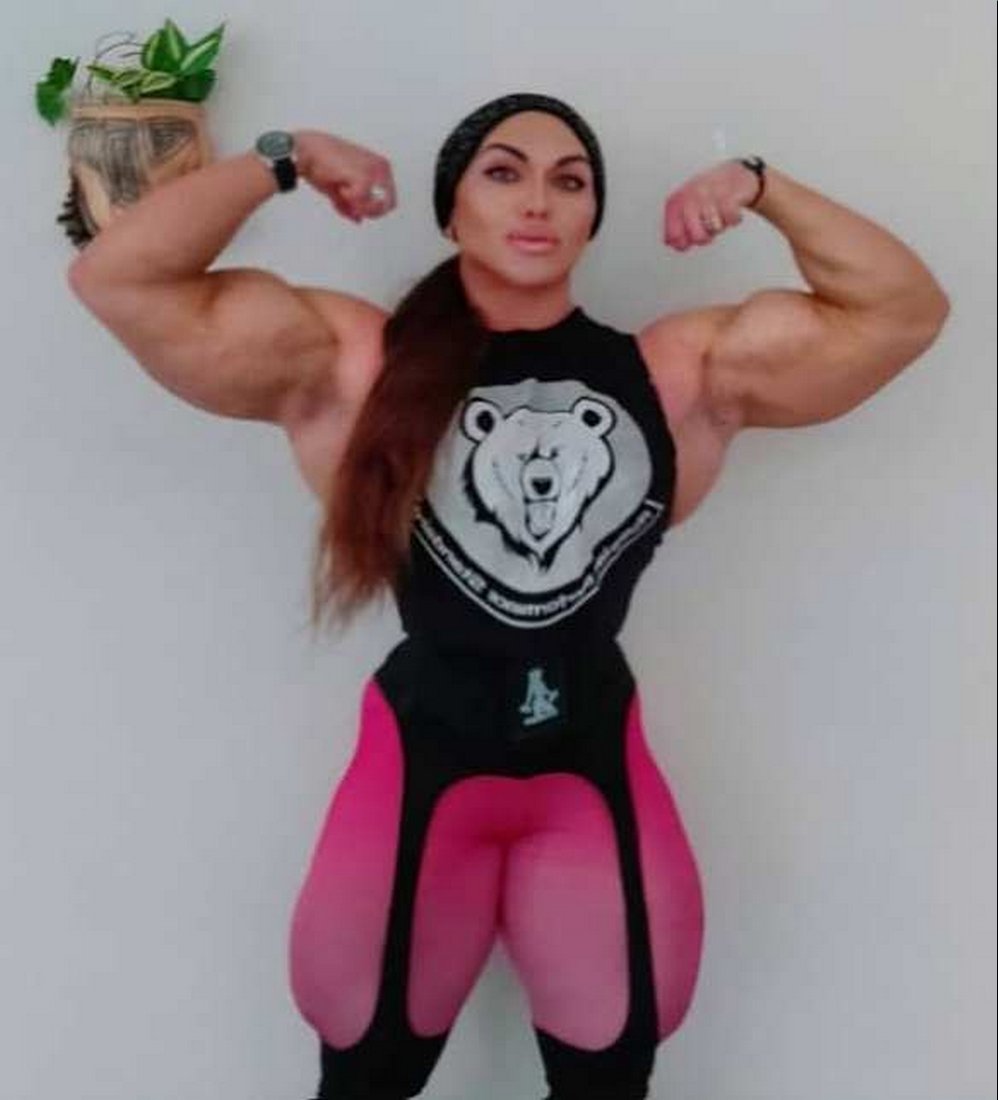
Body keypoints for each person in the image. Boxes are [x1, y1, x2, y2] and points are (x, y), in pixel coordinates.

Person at [67, 92, 949, 1100]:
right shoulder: (357, 363)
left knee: (610, 1074)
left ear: (591, 216)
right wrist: (285, 156)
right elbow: (119, 279)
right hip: (419, 768)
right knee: (367, 1070)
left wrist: (759, 185)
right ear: (451, 209)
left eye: (569, 181)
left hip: (589, 773)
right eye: (502, 172)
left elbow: (901, 311)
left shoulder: (674, 373)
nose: (537, 201)